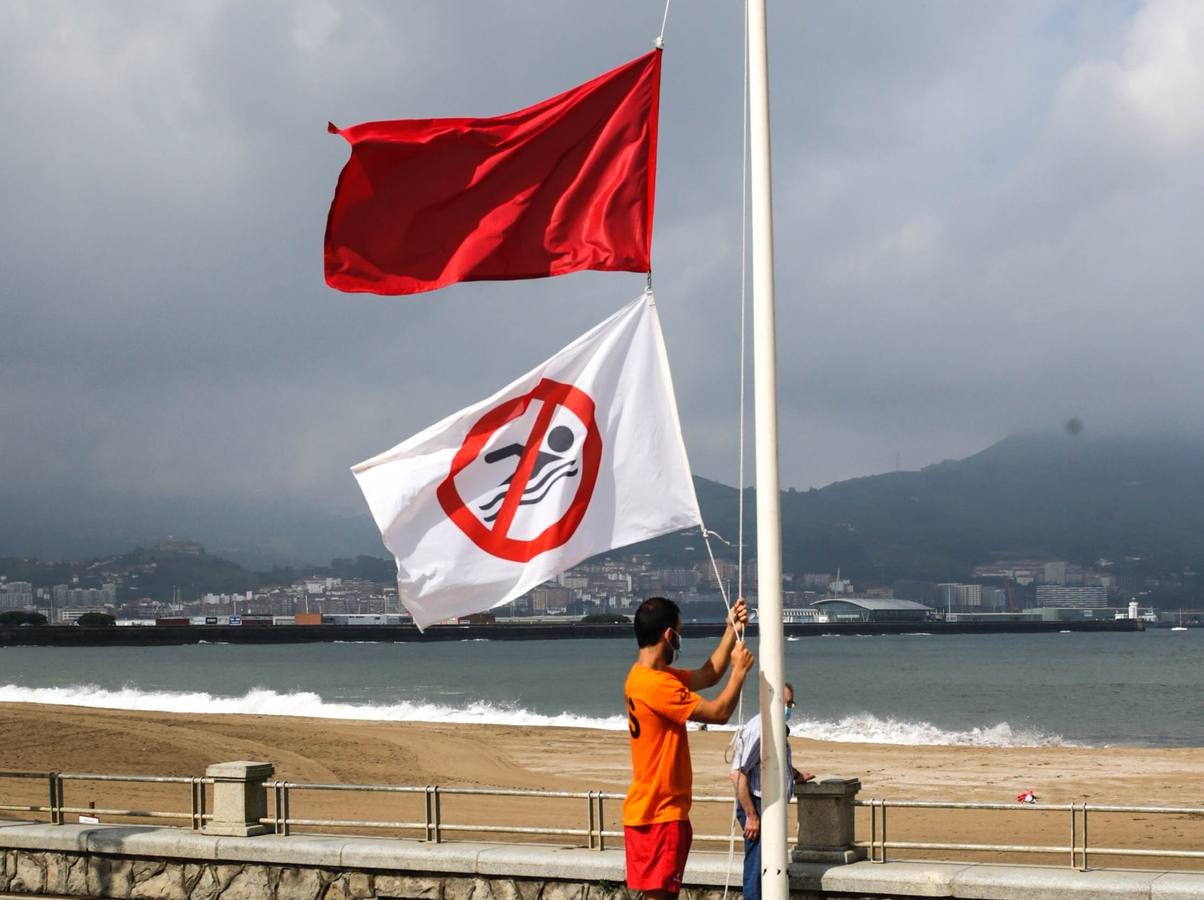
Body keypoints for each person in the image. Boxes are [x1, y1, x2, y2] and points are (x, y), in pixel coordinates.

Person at [623, 596, 754, 899]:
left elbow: (708, 675)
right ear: (669, 635)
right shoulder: (658, 686)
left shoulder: (643, 677)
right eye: (679, 633)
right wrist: (739, 673)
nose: (679, 641)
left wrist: (730, 630)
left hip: (645, 812)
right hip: (661, 814)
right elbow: (719, 712)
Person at [729, 682, 814, 900]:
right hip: (757, 805)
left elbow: (774, 762)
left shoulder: (775, 727)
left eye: (790, 704)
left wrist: (796, 775)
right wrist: (751, 815)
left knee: (770, 862)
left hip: (769, 805)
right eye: (784, 703)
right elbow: (738, 773)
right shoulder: (760, 730)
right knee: (758, 866)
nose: (788, 708)